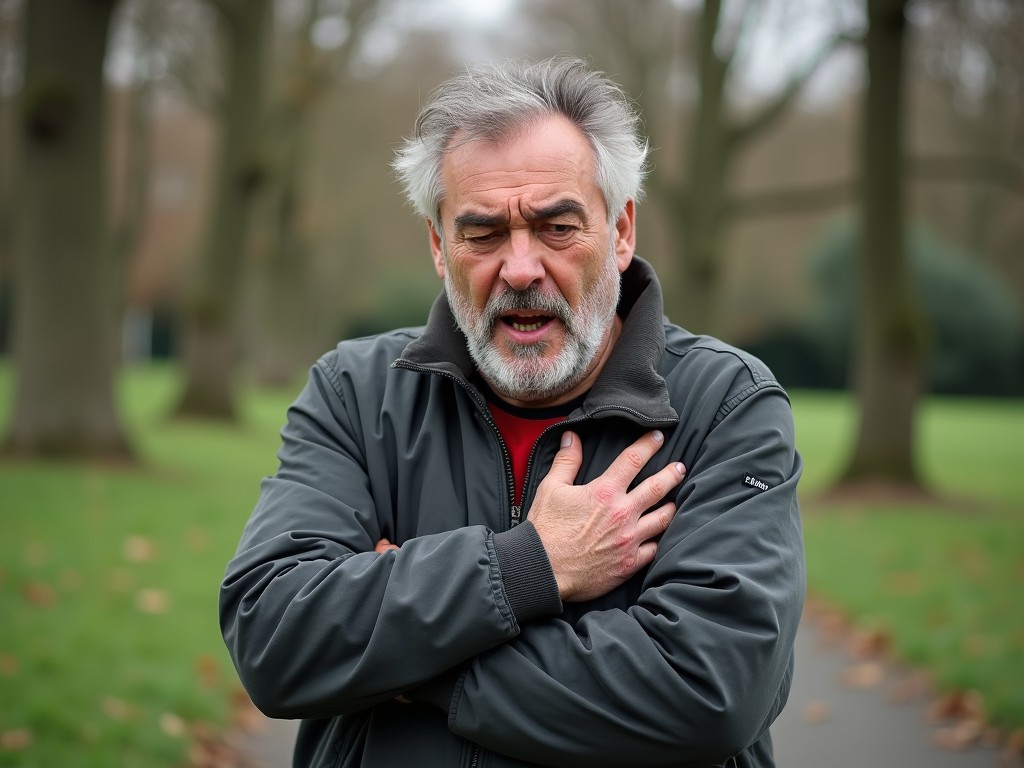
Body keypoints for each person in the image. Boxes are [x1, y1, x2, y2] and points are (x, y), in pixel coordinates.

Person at [220, 57, 805, 768]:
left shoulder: (725, 405)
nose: (520, 268)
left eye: (557, 227)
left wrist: (406, 655)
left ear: (621, 232)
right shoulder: (356, 393)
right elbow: (276, 637)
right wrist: (529, 565)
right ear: (440, 246)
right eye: (483, 233)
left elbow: (708, 694)